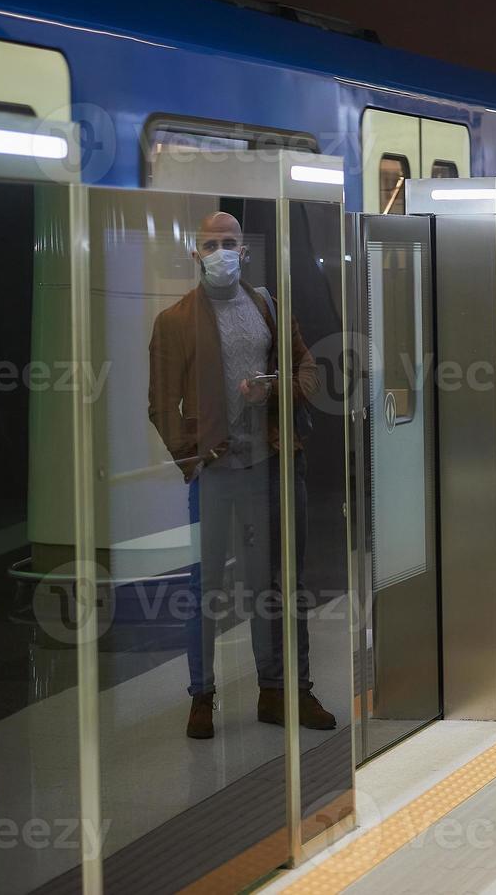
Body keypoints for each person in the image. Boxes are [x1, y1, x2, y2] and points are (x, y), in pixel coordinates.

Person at [148, 211, 337, 739]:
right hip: (214, 475)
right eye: (211, 244)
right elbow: (161, 404)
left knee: (275, 582)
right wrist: (196, 457)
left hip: (271, 468)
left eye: (229, 243)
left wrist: (271, 390)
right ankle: (201, 694)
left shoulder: (267, 307)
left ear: (245, 251)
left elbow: (308, 371)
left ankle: (283, 691)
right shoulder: (175, 321)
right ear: (196, 253)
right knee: (205, 586)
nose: (221, 252)